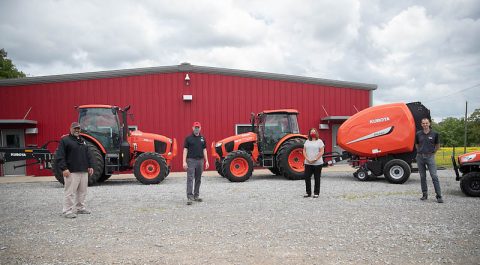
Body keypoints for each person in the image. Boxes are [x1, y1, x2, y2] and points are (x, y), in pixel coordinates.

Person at [55, 122, 94, 218]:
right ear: (71, 129)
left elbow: (88, 154)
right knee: (70, 192)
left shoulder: (83, 141)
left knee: (82, 191)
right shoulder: (65, 140)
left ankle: (80, 208)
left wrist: (90, 166)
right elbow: (60, 156)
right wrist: (64, 169)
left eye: (78, 128)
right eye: (75, 128)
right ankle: (67, 211)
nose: (77, 130)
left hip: (83, 171)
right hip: (71, 171)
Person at [415, 118, 443, 203]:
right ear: (421, 124)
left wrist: (433, 152)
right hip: (420, 157)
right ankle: (424, 194)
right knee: (422, 177)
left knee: (434, 176)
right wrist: (420, 151)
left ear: (429, 123)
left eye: (426, 123)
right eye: (423, 123)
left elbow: (437, 145)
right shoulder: (418, 134)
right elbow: (416, 144)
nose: (425, 125)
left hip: (430, 157)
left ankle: (439, 196)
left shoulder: (435, 134)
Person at [183, 121, 209, 205]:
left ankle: (196, 196)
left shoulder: (202, 139)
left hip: (200, 161)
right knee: (190, 178)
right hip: (191, 160)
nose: (196, 129)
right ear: (192, 128)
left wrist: (207, 161)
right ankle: (189, 197)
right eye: (195, 127)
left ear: (200, 128)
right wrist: (184, 161)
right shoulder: (188, 138)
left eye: (198, 127)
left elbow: (204, 150)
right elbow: (185, 150)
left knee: (198, 179)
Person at [303, 128, 325, 198]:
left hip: (317, 163)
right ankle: (308, 192)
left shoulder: (320, 141)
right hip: (308, 163)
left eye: (314, 132)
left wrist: (315, 159)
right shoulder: (307, 141)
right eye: (311, 132)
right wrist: (307, 158)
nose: (312, 133)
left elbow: (322, 151)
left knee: (317, 178)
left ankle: (316, 193)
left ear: (316, 133)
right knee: (307, 178)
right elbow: (304, 150)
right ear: (309, 133)